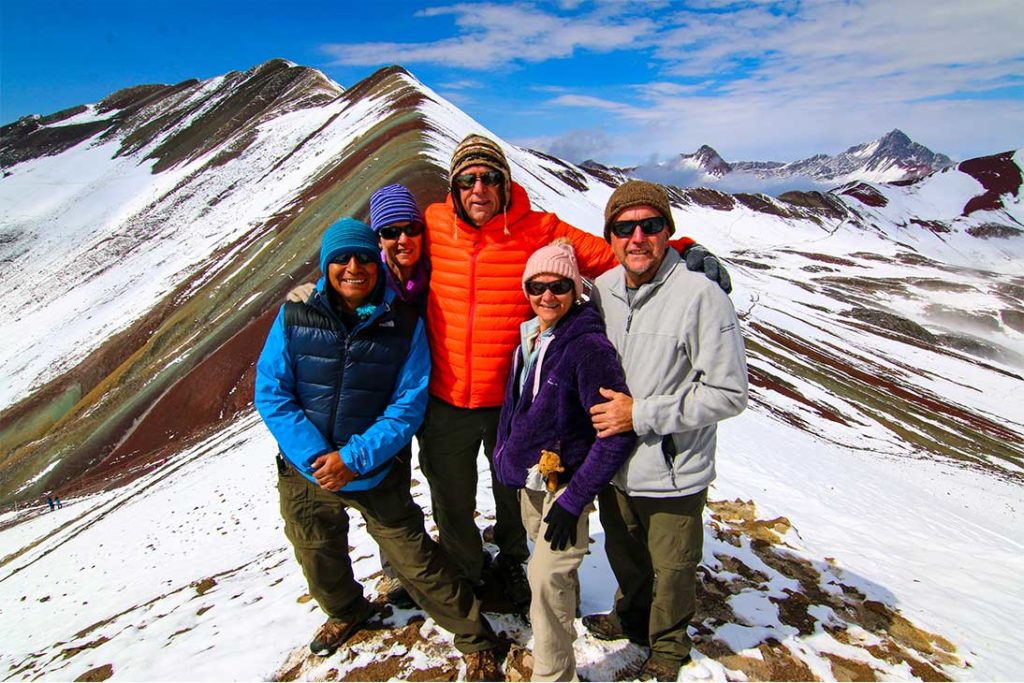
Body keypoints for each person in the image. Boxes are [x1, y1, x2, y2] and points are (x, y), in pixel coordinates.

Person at [418, 133, 730, 613]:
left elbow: (618, 255)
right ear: (454, 188)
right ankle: (466, 573)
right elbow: (386, 258)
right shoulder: (433, 225)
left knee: (515, 491)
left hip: (515, 397)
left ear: (506, 183)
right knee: (451, 498)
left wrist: (683, 249)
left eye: (490, 178)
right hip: (447, 398)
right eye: (468, 180)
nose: (479, 189)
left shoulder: (540, 229)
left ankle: (513, 561)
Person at [255, 217, 501, 680]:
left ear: (378, 263)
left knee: (417, 562)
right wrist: (317, 458)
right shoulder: (295, 316)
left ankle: (475, 638)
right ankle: (346, 610)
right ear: (326, 265)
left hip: (374, 469)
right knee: (315, 550)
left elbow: (408, 405)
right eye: (342, 259)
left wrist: (352, 458)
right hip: (308, 472)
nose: (354, 267)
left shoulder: (403, 325)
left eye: (365, 257)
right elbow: (272, 391)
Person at [583, 181, 749, 681]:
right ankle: (631, 616)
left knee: (673, 567)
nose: (638, 238)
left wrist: (641, 415)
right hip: (613, 465)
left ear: (668, 233)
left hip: (673, 467)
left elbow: (729, 392)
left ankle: (669, 645)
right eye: (625, 227)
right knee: (625, 553)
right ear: (610, 237)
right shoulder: (602, 291)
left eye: (650, 226)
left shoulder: (702, 296)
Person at [494, 240, 637, 681]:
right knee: (550, 572)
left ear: (575, 289)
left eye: (558, 285)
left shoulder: (587, 347)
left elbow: (616, 432)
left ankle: (554, 674)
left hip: (564, 486)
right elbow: (514, 408)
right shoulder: (530, 338)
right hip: (531, 481)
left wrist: (575, 500)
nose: (547, 296)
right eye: (537, 286)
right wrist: (506, 458)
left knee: (545, 577)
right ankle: (563, 633)